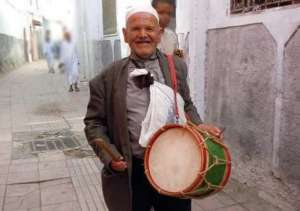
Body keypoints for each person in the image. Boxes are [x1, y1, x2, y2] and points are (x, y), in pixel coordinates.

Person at [84, 4, 222, 211]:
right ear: (125, 34)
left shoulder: (177, 66)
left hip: (174, 165)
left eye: (149, 29)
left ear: (158, 34)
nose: (143, 35)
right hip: (133, 171)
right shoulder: (107, 78)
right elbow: (93, 123)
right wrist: (109, 157)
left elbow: (186, 104)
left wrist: (199, 126)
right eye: (135, 29)